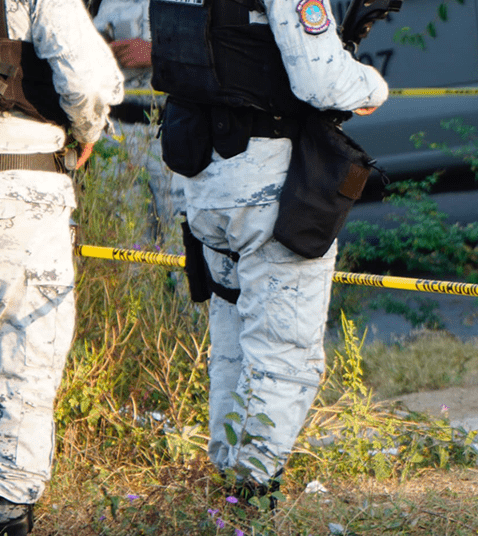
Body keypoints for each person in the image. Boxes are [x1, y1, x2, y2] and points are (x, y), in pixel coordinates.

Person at [149, 0, 388, 506]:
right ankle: (253, 494)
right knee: (283, 351)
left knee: (234, 344)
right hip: (268, 184)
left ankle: (226, 482)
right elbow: (320, 81)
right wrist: (372, 85)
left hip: (203, 184)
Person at [0, 0, 124, 534]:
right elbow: (87, 80)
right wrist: (88, 130)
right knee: (26, 353)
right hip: (15, 186)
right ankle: (9, 513)